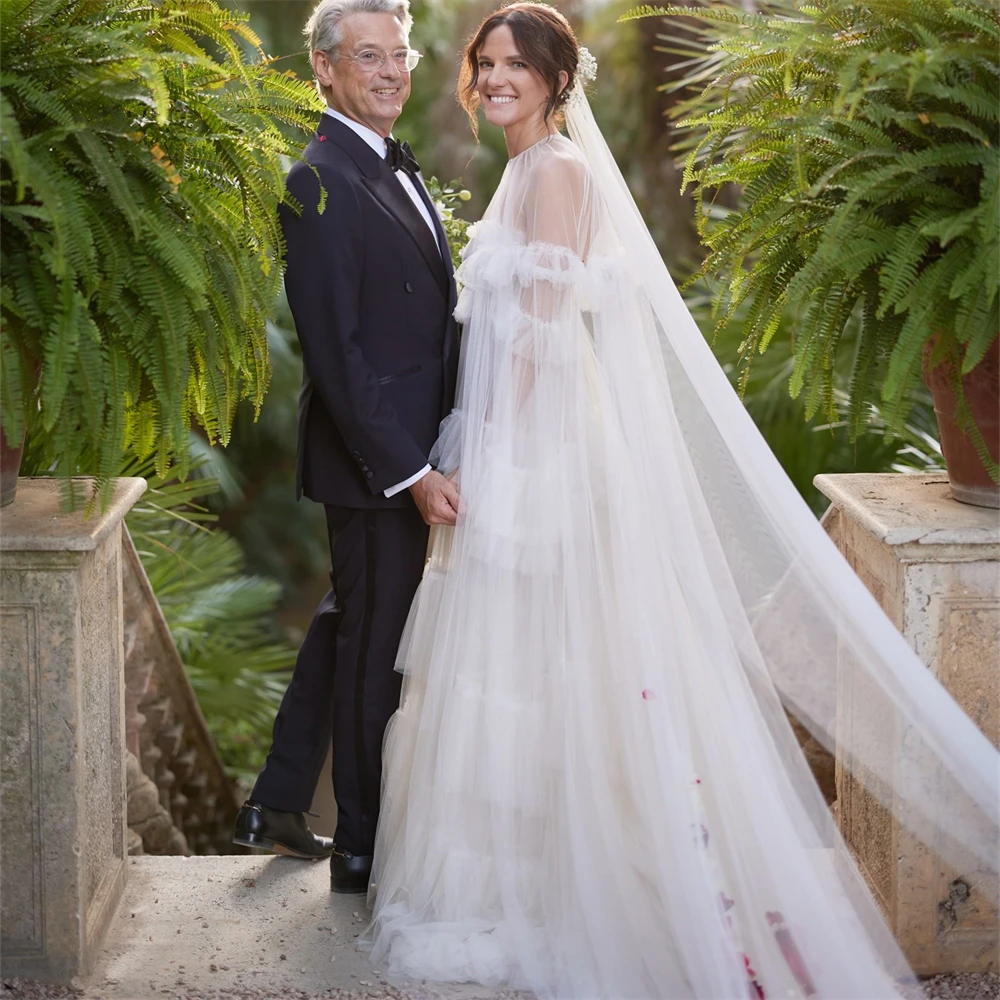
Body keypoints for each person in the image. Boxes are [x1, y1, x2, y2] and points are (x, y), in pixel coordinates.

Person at [362, 3, 1000, 996]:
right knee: (512, 659)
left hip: (543, 451)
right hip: (510, 438)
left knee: (554, 658)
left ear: (556, 79)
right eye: (483, 62)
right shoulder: (523, 169)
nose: (492, 78)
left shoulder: (561, 174)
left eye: (513, 65)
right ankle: (514, 879)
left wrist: (490, 461)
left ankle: (574, 887)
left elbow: (535, 336)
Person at [233, 0, 460, 895]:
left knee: (347, 623)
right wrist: (410, 471)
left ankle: (280, 800)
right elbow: (336, 353)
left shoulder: (383, 165)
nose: (391, 70)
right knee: (377, 649)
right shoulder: (318, 178)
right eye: (369, 56)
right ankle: (361, 848)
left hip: (406, 448)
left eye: (399, 54)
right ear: (324, 68)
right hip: (378, 465)